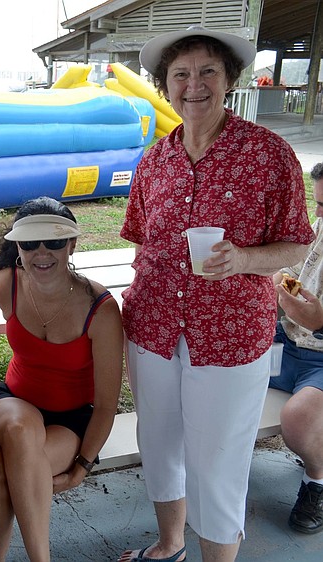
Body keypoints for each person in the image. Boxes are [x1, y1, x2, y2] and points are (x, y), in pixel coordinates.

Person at [119, 26, 314, 562]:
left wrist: (245, 259)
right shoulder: (154, 161)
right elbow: (140, 239)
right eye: (180, 74)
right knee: (158, 443)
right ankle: (170, 543)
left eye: (208, 71)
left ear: (229, 80)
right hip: (154, 330)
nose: (194, 84)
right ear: (166, 86)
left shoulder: (269, 155)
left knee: (218, 461)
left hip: (229, 337)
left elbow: (297, 243)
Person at [0, 197, 123, 562]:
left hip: (72, 420)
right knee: (21, 430)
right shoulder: (7, 283)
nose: (42, 252)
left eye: (54, 241)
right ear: (17, 247)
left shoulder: (99, 308)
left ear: (71, 244)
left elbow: (105, 405)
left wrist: (82, 468)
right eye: (29, 243)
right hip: (12, 402)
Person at [271, 162, 323, 534]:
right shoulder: (318, 228)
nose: (318, 214)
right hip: (285, 342)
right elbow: (290, 265)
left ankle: (316, 481)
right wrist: (277, 275)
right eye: (317, 203)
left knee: (298, 420)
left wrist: (321, 324)